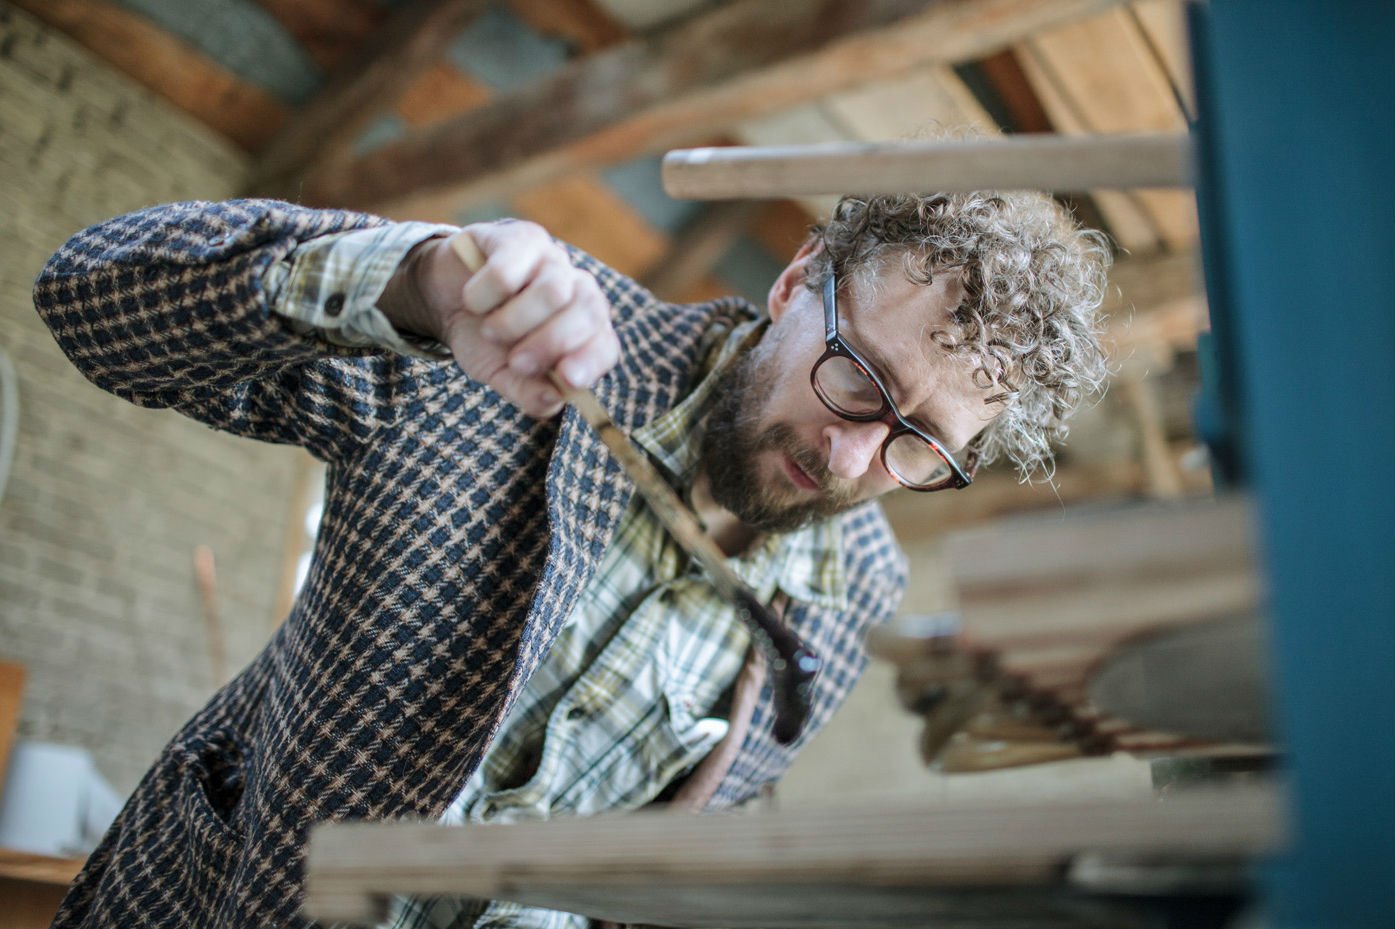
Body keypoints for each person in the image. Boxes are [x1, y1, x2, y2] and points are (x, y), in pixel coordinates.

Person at [33, 190, 1109, 929]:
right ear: (797, 280)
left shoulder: (856, 583)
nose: (847, 455)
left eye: (916, 443)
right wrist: (412, 283)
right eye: (859, 377)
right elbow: (87, 297)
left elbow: (665, 846)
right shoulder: (519, 337)